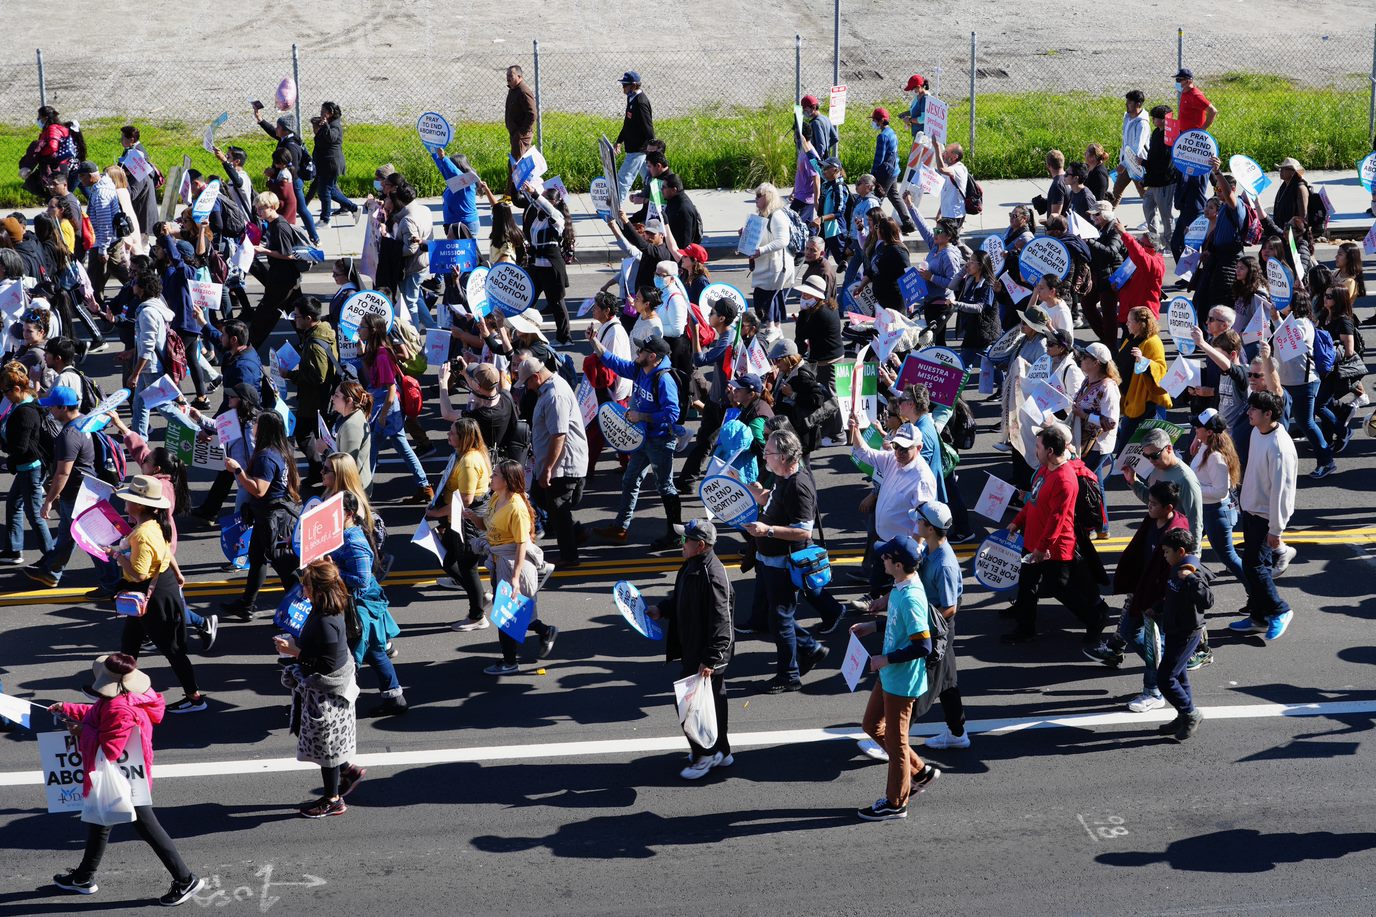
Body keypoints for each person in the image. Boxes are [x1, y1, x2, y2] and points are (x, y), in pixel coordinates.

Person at [49, 654, 205, 904]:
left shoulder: (118, 707)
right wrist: (68, 708)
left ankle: (186, 879)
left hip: (125, 780)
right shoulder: (127, 698)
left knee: (145, 827)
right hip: (128, 775)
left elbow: (109, 748)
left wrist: (81, 731)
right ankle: (83, 877)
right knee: (99, 820)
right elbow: (100, 716)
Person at [848, 535, 940, 821]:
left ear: (898, 564)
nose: (881, 560)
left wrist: (885, 659)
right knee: (871, 725)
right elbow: (899, 622)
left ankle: (895, 802)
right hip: (889, 673)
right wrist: (872, 625)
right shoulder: (902, 585)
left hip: (901, 679)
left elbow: (922, 645)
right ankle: (920, 772)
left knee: (896, 741)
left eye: (886, 557)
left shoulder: (911, 596)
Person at [105, 474, 206, 712]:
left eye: (128, 499)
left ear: (139, 505)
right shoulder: (153, 525)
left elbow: (139, 574)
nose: (125, 503)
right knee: (129, 643)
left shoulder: (142, 533)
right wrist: (178, 573)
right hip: (157, 590)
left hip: (152, 596)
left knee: (172, 649)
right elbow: (166, 552)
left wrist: (117, 556)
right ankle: (120, 694)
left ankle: (195, 698)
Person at [1004, 425, 1112, 645]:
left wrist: (1042, 549)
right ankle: (1025, 627)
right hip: (1034, 541)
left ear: (1051, 451)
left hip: (1052, 549)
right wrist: (1018, 521)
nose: (1035, 451)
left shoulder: (1064, 479)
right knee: (1027, 583)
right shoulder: (1046, 470)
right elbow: (1033, 500)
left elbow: (1057, 520)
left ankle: (1094, 619)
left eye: (1038, 447)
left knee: (1059, 588)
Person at [645, 518, 735, 779]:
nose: (681, 543)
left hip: (705, 654)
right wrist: (662, 609)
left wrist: (710, 661)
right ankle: (722, 751)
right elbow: (681, 598)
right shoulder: (692, 565)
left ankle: (703, 755)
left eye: (686, 540)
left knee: (689, 706)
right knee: (714, 702)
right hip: (696, 649)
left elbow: (723, 622)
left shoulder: (713, 575)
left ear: (701, 545)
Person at [275, 558, 363, 819]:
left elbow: (325, 665)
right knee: (329, 748)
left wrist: (294, 651)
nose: (303, 590)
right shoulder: (332, 605)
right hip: (331, 690)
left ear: (318, 590)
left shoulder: (326, 621)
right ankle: (348, 770)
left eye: (307, 586)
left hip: (326, 697)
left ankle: (333, 799)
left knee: (327, 751)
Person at [742, 429, 829, 692]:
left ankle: (789, 675)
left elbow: (803, 530)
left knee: (780, 617)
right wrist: (762, 496)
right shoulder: (783, 477)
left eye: (768, 452)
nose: (764, 456)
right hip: (770, 560)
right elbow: (777, 503)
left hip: (783, 563)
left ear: (783, 456)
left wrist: (766, 530)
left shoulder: (798, 485)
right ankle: (810, 649)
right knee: (777, 617)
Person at [589, 333, 683, 549]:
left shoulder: (664, 379)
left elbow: (672, 414)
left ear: (652, 356)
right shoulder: (641, 368)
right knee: (630, 480)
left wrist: (642, 417)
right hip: (641, 439)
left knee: (665, 486)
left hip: (659, 441)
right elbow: (617, 364)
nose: (636, 353)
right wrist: (595, 343)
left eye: (640, 351)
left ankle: (676, 533)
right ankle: (621, 528)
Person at [469, 458, 558, 675]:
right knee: (516, 614)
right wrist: (473, 518)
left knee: (506, 617)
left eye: (496, 474)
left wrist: (516, 578)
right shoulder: (496, 498)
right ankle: (545, 631)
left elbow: (521, 545)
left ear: (507, 480)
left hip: (512, 566)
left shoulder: (517, 508)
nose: (491, 477)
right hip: (499, 563)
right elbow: (488, 526)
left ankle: (509, 662)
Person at [1228, 391, 1297, 641]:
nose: (1248, 413)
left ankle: (1281, 609)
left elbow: (1284, 492)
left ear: (1268, 413)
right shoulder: (1258, 431)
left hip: (1265, 516)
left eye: (1253, 410)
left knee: (1254, 566)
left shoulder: (1280, 447)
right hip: (1251, 509)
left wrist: (1276, 530)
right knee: (1258, 566)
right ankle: (1258, 617)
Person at [330, 491, 406, 716]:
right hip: (358, 605)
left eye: (336, 512)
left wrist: (334, 571)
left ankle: (336, 704)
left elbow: (362, 580)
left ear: (349, 514)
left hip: (360, 607)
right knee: (374, 651)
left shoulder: (355, 542)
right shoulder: (344, 534)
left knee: (349, 656)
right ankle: (394, 698)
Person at [221, 411, 300, 618]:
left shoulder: (265, 456)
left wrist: (238, 470)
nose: (253, 425)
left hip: (270, 519)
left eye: (256, 423)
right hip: (273, 514)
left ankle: (301, 608)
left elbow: (259, 489)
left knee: (283, 566)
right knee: (257, 559)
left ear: (263, 428)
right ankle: (247, 605)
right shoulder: (282, 450)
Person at [518, 355, 589, 567]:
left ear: (537, 377)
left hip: (562, 464)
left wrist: (548, 468)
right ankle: (575, 532)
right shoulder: (550, 387)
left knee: (558, 507)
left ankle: (569, 556)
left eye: (528, 382)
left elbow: (559, 435)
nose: (527, 388)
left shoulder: (554, 395)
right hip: (555, 462)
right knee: (543, 498)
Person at [23, 385, 94, 587]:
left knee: (85, 539)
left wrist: (49, 500)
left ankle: (111, 577)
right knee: (68, 534)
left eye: (53, 406)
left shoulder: (68, 435)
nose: (50, 410)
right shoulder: (84, 422)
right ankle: (51, 571)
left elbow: (63, 472)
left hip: (76, 493)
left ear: (63, 408)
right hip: (83, 489)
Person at [913, 501, 969, 750]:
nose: (916, 524)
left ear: (930, 528)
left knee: (923, 686)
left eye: (919, 520)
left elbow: (950, 607)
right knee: (947, 683)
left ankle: (890, 739)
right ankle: (958, 734)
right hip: (936, 624)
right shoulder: (930, 548)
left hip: (939, 629)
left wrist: (922, 627)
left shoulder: (944, 563)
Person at [359, 313, 431, 503]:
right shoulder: (378, 351)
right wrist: (362, 354)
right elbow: (372, 379)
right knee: (401, 447)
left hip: (385, 408)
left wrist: (382, 416)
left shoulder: (382, 354)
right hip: (385, 407)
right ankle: (424, 486)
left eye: (362, 327)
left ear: (372, 330)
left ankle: (363, 493)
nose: (358, 330)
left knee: (371, 450)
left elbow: (390, 388)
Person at [1151, 529, 1213, 741]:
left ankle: (1190, 714)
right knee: (1179, 675)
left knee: (1165, 678)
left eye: (1167, 552)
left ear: (1181, 551)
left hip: (1186, 632)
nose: (1164, 556)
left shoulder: (1191, 570)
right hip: (1175, 629)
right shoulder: (1176, 566)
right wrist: (1158, 607)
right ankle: (1183, 714)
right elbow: (1173, 595)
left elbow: (1207, 601)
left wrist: (1191, 579)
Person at [430, 418, 492, 627]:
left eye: (452, 433)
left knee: (468, 567)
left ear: (464, 438)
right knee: (446, 558)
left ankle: (477, 616)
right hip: (454, 518)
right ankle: (479, 596)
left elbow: (466, 500)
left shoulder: (468, 462)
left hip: (465, 521)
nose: (448, 435)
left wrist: (438, 512)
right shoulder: (461, 455)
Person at [0, 362, 54, 564]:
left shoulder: (25, 412)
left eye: (5, 391)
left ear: (16, 389)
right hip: (26, 467)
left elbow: (21, 448)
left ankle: (51, 557)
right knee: (14, 504)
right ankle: (13, 549)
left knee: (35, 514)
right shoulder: (23, 402)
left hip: (30, 468)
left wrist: (9, 462)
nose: (3, 395)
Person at [1187, 408, 1246, 592]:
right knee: (1185, 547)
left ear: (1210, 432)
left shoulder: (1215, 457)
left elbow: (1220, 491)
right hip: (1205, 510)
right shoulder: (1206, 446)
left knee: (1229, 557)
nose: (1195, 428)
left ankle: (1257, 594)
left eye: (1199, 427)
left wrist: (1191, 487)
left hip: (1216, 514)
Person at [285, 296, 338, 489]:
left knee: (310, 435)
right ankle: (320, 471)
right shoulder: (324, 330)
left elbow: (318, 376)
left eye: (297, 316)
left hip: (315, 400)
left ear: (308, 318)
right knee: (312, 435)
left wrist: (291, 375)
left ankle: (325, 473)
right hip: (318, 400)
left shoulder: (315, 343)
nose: (294, 319)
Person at [1124, 427, 1203, 545]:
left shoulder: (1185, 479)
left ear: (1169, 448)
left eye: (1154, 455)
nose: (1151, 460)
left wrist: (1192, 557)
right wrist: (1133, 482)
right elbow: (1153, 501)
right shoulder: (1157, 469)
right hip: (1159, 538)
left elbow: (1195, 521)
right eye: (1147, 456)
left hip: (1175, 545)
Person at [252, 107, 318, 243]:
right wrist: (260, 120)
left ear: (286, 130)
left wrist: (273, 173)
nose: (276, 129)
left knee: (301, 209)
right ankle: (311, 237)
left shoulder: (291, 147)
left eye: (278, 127)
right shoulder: (286, 138)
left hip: (292, 182)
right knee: (300, 208)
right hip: (289, 181)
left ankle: (314, 237)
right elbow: (273, 132)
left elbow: (290, 168)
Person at [249, 191, 304, 349]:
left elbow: (288, 254)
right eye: (257, 208)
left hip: (283, 278)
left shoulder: (280, 226)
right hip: (285, 277)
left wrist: (264, 251)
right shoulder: (273, 224)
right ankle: (306, 340)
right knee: (296, 312)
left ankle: (250, 345)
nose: (259, 211)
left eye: (262, 208)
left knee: (266, 314)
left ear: (272, 207)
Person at [523, 184, 574, 344]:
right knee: (527, 302)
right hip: (536, 267)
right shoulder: (539, 217)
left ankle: (564, 338)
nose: (541, 200)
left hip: (551, 268)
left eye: (546, 198)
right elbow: (529, 200)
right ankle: (525, 334)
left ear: (554, 202)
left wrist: (536, 194)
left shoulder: (556, 217)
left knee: (557, 303)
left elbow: (545, 206)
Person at [1115, 306, 1172, 446]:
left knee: (1138, 446)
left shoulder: (1153, 342)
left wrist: (1144, 361)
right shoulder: (1131, 338)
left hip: (1147, 405)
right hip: (1131, 399)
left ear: (1140, 324)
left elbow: (1161, 370)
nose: (1126, 323)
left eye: (1129, 321)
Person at [746, 183, 795, 335]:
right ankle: (776, 327)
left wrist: (761, 250)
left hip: (775, 265)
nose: (756, 200)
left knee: (764, 296)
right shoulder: (765, 214)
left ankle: (771, 326)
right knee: (774, 295)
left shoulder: (777, 215)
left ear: (768, 197)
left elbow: (782, 240)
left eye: (759, 196)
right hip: (768, 264)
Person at [306, 102, 357, 227]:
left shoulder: (335, 126)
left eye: (324, 112)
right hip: (325, 164)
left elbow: (331, 138)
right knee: (331, 191)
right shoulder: (329, 125)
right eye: (321, 111)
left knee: (324, 192)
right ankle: (354, 208)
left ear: (330, 113)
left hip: (331, 164)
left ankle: (325, 220)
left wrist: (325, 125)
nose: (321, 114)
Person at [869, 108, 914, 234]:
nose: (873, 122)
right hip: (894, 170)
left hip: (885, 173)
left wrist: (872, 175)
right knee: (894, 196)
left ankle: (878, 226)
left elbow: (879, 158)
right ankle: (907, 222)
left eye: (874, 120)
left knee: (877, 198)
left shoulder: (882, 136)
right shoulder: (891, 132)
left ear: (882, 121)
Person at [614, 71, 655, 201]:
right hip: (633, 146)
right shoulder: (631, 98)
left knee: (623, 178)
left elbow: (648, 127)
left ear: (634, 85)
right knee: (649, 178)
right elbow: (628, 123)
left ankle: (614, 208)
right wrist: (619, 140)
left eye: (625, 85)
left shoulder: (641, 102)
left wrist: (653, 147)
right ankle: (655, 202)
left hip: (638, 148)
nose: (623, 88)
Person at [1140, 105, 1176, 250]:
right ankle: (1154, 241)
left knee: (1166, 214)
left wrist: (1144, 163)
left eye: (1154, 118)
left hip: (1164, 182)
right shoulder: (1156, 133)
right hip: (1153, 181)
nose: (1153, 120)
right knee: (1148, 206)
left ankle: (1169, 244)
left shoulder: (1169, 137)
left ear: (1162, 120)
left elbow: (1163, 163)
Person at [1110, 90, 1151, 205]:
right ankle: (1105, 220)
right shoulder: (1127, 118)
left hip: (1137, 165)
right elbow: (1125, 142)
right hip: (1126, 163)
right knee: (1115, 193)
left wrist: (1124, 164)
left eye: (1129, 102)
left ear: (1138, 104)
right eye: (1126, 101)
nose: (1126, 104)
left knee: (1145, 196)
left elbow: (1137, 148)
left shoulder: (1142, 124)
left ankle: (1154, 221)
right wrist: (1123, 161)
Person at [505, 65, 537, 162]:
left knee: (516, 164)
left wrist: (521, 133)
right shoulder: (513, 89)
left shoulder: (523, 91)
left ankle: (513, 178)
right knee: (521, 163)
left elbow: (532, 114)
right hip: (516, 134)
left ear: (519, 77)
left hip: (521, 135)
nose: (508, 78)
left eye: (511, 75)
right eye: (507, 75)